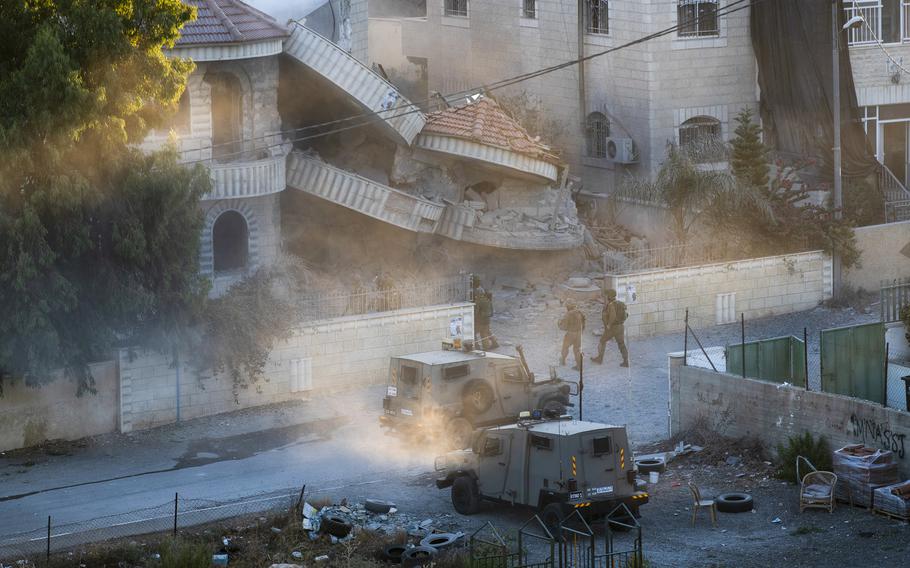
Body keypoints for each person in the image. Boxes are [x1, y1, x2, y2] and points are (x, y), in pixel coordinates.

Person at [591, 288, 629, 367]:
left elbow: (613, 316)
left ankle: (599, 358)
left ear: (610, 296)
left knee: (602, 341)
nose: (606, 296)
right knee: (621, 344)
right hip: (620, 327)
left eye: (607, 295)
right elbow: (626, 315)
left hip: (613, 328)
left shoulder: (611, 305)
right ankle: (626, 361)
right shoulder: (620, 303)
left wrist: (609, 325)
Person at [472, 276, 499, 349]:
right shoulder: (487, 300)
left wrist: (474, 317)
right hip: (487, 318)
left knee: (479, 333)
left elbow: (476, 311)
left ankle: (483, 347)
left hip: (481, 319)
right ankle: (494, 343)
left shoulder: (478, 299)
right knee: (487, 331)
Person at [558, 301, 585, 370]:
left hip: (571, 334)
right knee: (577, 349)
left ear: (568, 307)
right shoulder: (580, 312)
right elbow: (584, 323)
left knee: (565, 347)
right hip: (579, 333)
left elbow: (564, 327)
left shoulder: (568, 314)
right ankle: (579, 366)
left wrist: (559, 324)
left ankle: (563, 361)